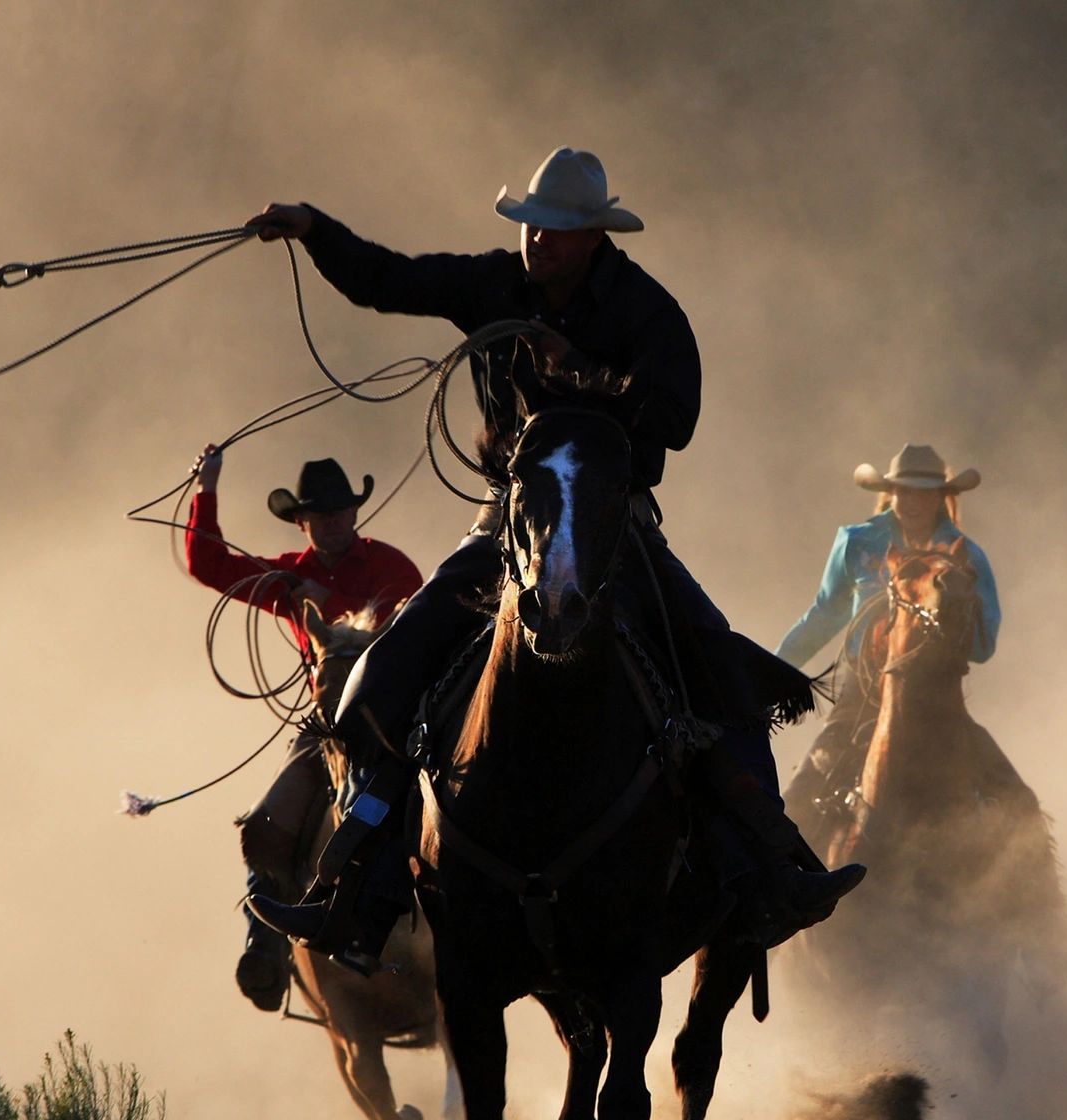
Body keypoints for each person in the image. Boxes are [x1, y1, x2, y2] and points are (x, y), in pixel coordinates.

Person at [244, 147, 864, 971]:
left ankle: (770, 866)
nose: (538, 242)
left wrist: (589, 376)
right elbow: (387, 280)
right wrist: (315, 230)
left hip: (617, 528)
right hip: (505, 522)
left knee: (717, 666)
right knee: (384, 674)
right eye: (533, 226)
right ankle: (357, 884)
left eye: (557, 231)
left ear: (593, 238)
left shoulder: (645, 309)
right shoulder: (494, 285)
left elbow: (674, 417)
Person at [183, 446, 423, 1010]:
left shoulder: (392, 568)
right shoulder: (289, 575)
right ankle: (264, 947)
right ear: (303, 522)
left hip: (397, 717)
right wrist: (207, 489)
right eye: (322, 517)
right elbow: (210, 566)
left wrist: (328, 602)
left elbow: (413, 627)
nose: (335, 524)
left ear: (355, 515)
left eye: (341, 514)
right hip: (324, 726)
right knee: (272, 822)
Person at [776, 443, 1001, 818]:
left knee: (1016, 802)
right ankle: (789, 872)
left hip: (939, 699)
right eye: (904, 490)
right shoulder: (857, 542)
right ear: (890, 492)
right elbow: (825, 614)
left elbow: (983, 646)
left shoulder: (967, 556)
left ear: (941, 497)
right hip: (861, 692)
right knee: (798, 803)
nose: (913, 500)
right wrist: (772, 669)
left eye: (924, 492)